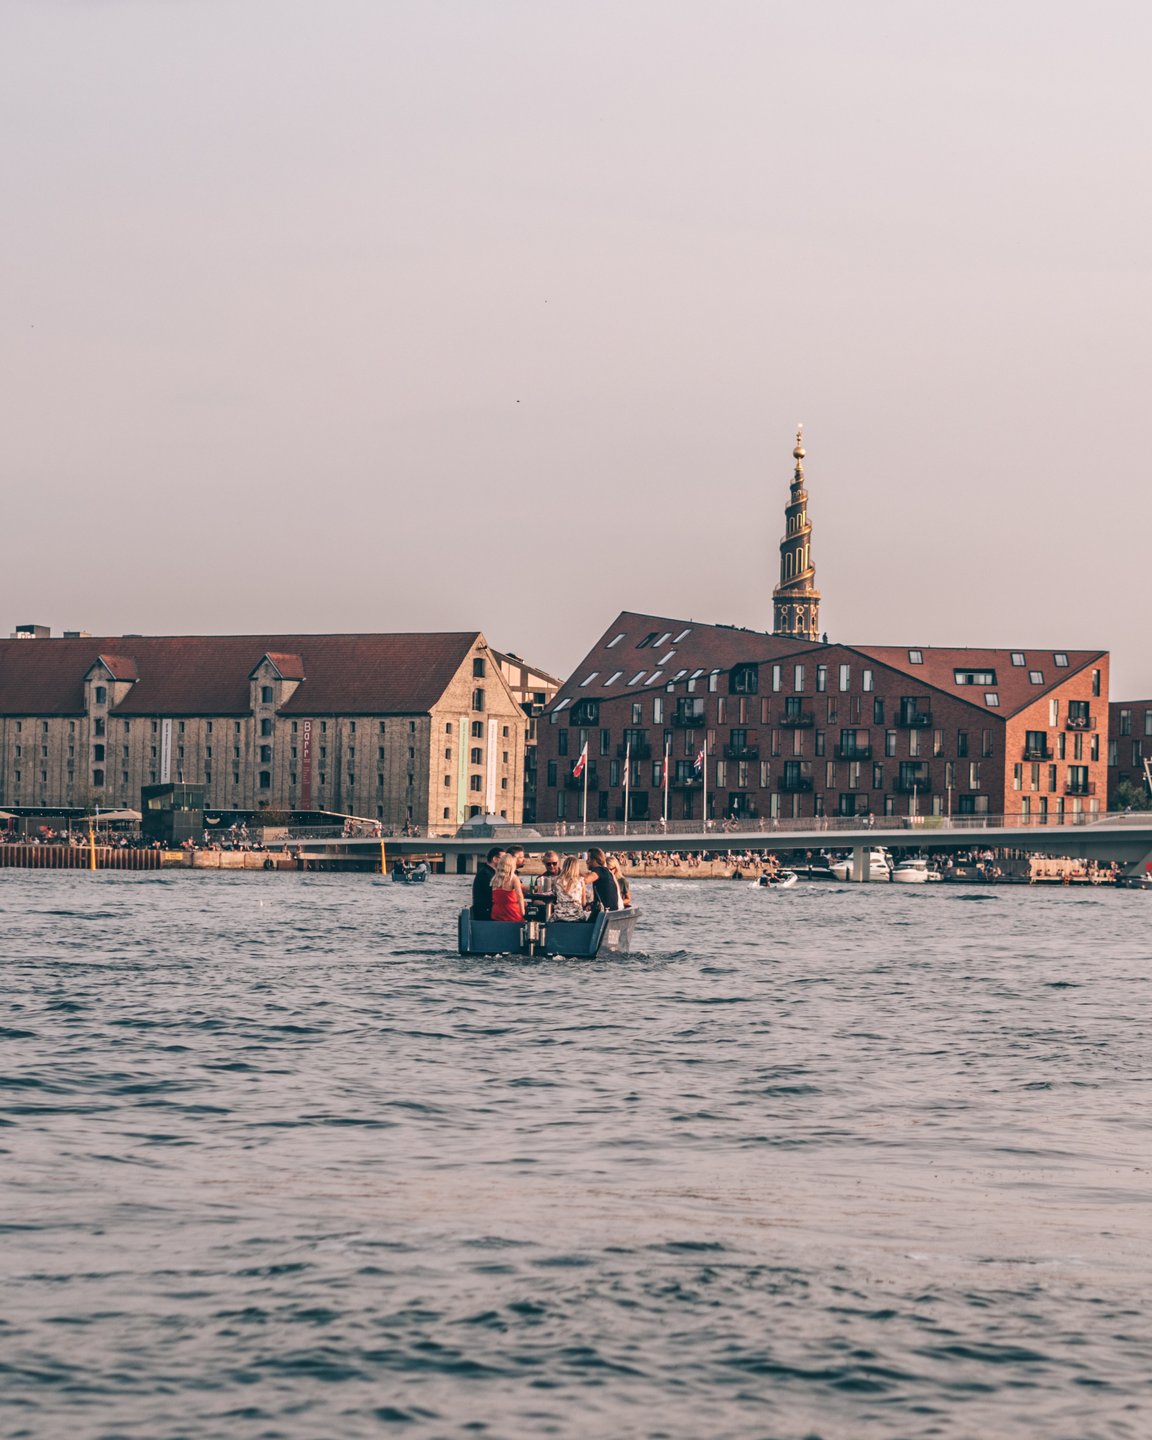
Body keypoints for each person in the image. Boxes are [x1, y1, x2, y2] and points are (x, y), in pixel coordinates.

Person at [489, 852, 525, 922]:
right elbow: (520, 896)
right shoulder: (514, 879)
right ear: (512, 865)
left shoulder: (494, 879)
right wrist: (523, 913)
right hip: (511, 912)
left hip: (497, 912)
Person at [552, 857, 590, 921]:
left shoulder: (556, 881)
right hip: (577, 916)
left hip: (560, 916)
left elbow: (555, 897)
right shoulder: (581, 881)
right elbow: (583, 903)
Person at [471, 846, 504, 919]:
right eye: (503, 859)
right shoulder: (486, 874)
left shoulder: (489, 872)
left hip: (486, 910)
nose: (505, 862)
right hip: (485, 913)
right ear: (495, 859)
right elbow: (493, 893)